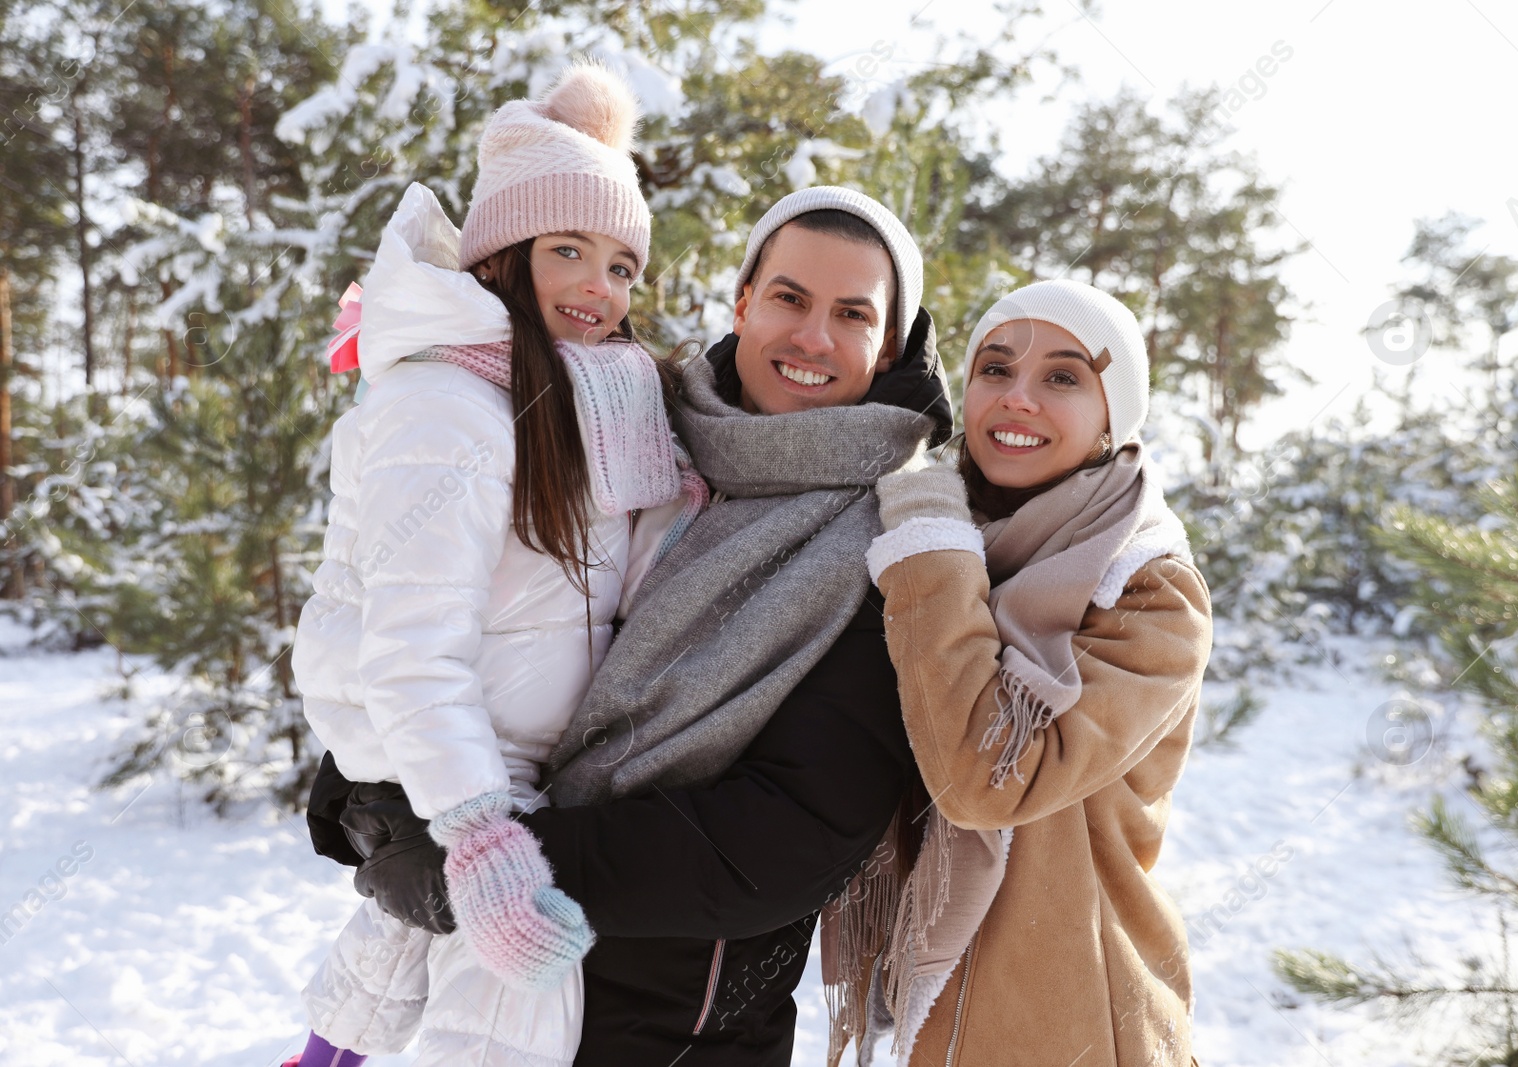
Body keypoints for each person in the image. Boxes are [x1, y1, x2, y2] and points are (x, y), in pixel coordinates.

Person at [307, 186, 954, 1067]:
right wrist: (372, 795)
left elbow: (783, 841)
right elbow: (471, 619)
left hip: (682, 1022)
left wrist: (491, 859)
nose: (811, 337)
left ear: (887, 346)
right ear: (744, 304)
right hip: (506, 983)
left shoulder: (895, 546)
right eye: (790, 298)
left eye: (851, 314)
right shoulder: (639, 433)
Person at [285, 63, 702, 1067]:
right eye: (568, 250)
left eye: (623, 266)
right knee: (522, 985)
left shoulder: (584, 398)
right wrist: (478, 833)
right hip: (453, 761)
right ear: (502, 256)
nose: (601, 289)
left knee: (396, 949)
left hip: (493, 749)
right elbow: (410, 651)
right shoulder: (449, 405)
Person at [833, 278, 1213, 1066]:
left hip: (1070, 1011)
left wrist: (932, 550)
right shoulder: (937, 530)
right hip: (931, 1009)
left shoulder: (1149, 592)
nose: (1018, 398)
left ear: (1114, 416)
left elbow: (986, 780)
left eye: (1064, 377)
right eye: (996, 369)